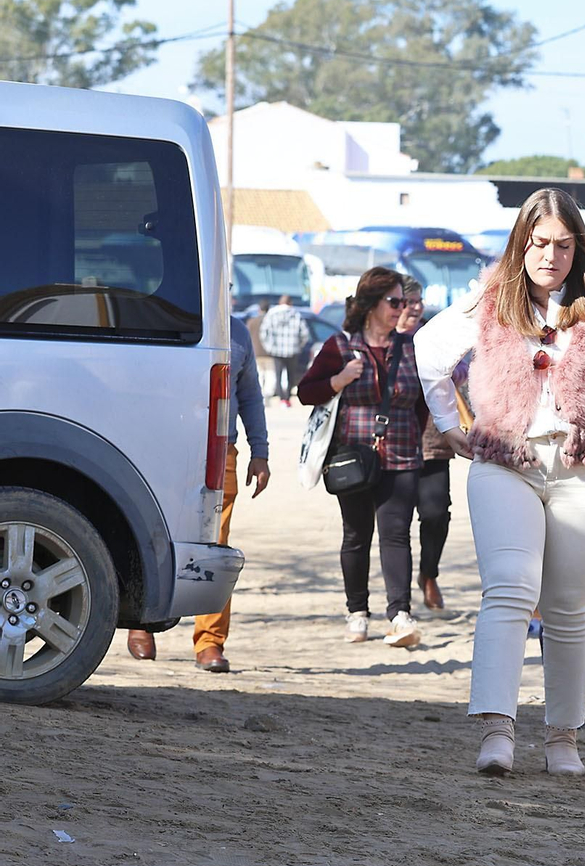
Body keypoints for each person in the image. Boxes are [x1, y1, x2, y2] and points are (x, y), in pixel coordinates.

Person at [415, 187, 585, 778]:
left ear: (578, 248)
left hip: (584, 467)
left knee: (571, 605)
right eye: (538, 243)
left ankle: (563, 738)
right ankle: (497, 730)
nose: (549, 256)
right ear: (521, 243)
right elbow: (428, 350)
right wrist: (447, 424)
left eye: (563, 245)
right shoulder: (488, 300)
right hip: (504, 463)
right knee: (509, 587)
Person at [125, 316, 270, 670]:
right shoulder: (165, 319)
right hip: (164, 446)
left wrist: (260, 452)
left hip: (221, 452)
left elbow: (250, 395)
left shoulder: (238, 333)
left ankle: (210, 642)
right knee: (152, 535)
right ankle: (141, 622)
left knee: (216, 545)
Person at [299, 267, 428, 649]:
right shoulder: (340, 347)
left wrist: (411, 436)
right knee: (356, 535)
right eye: (394, 301)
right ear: (371, 304)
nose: (401, 308)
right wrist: (339, 379)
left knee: (397, 534)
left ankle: (400, 615)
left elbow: (422, 404)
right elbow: (306, 392)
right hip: (352, 456)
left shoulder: (412, 348)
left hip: (402, 454)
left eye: (403, 302)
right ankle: (357, 612)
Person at [399, 278, 452, 611]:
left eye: (419, 300)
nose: (415, 307)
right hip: (393, 444)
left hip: (433, 441)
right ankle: (399, 594)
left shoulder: (434, 335)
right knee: (397, 522)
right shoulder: (382, 339)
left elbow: (461, 370)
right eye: (408, 301)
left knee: (436, 513)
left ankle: (428, 574)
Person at [259, 294, 312, 406]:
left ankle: (281, 398)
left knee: (278, 375)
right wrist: (299, 346)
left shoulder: (272, 314)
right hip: (292, 350)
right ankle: (287, 397)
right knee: (291, 375)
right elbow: (305, 334)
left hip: (276, 350)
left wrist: (269, 347)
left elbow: (263, 332)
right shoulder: (296, 314)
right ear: (290, 303)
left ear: (280, 302)